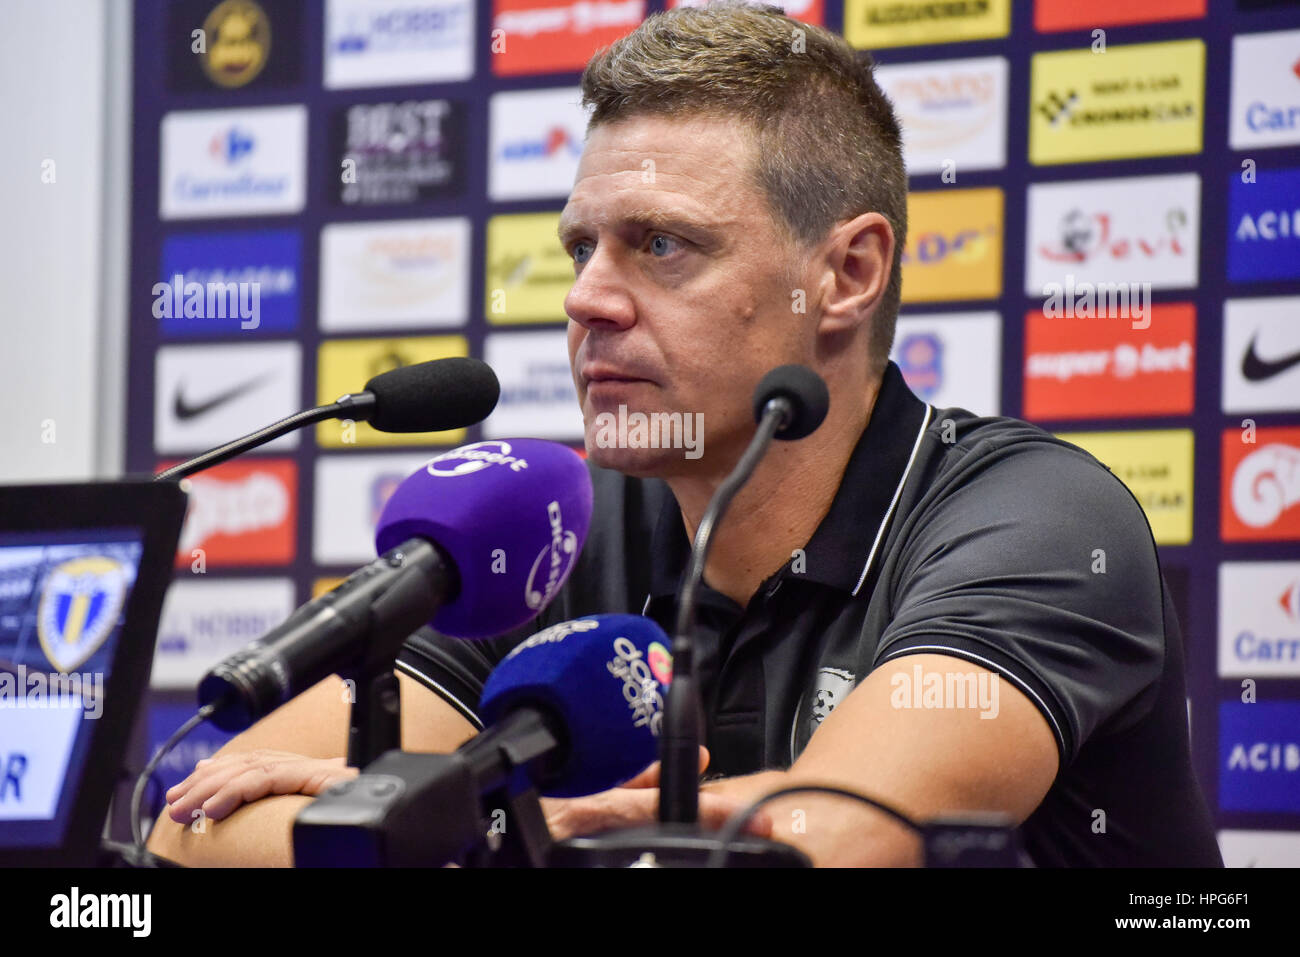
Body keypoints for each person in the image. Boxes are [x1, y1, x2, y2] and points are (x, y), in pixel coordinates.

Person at [150, 2, 1222, 867]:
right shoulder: (549, 527)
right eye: (582, 250)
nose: (586, 301)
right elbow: (199, 828)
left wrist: (454, 824)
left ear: (845, 274)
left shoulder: (1038, 517)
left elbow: (840, 839)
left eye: (660, 245)